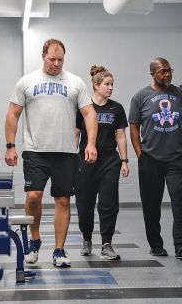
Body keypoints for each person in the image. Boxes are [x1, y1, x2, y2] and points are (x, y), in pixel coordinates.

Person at [5, 39, 98, 268]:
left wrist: (91, 143)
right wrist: (10, 146)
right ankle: (35, 240)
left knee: (63, 201)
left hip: (66, 151)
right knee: (33, 196)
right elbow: (13, 114)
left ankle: (59, 250)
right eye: (52, 59)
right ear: (43, 56)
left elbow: (89, 114)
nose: (56, 63)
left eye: (60, 60)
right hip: (36, 151)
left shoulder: (75, 82)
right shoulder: (27, 82)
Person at [128, 57, 182, 258]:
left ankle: (180, 244)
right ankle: (156, 244)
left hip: (177, 158)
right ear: (153, 74)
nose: (167, 74)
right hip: (150, 158)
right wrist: (140, 154)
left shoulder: (181, 95)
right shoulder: (140, 96)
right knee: (151, 204)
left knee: (178, 202)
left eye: (169, 70)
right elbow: (133, 127)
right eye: (162, 71)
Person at [76, 65, 129, 261]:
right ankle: (87, 239)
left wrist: (124, 161)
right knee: (85, 203)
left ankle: (107, 244)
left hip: (109, 160)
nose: (110, 88)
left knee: (108, 202)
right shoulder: (83, 108)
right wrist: (73, 159)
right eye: (106, 84)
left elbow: (121, 136)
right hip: (86, 160)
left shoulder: (117, 108)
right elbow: (76, 134)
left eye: (112, 84)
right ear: (96, 85)